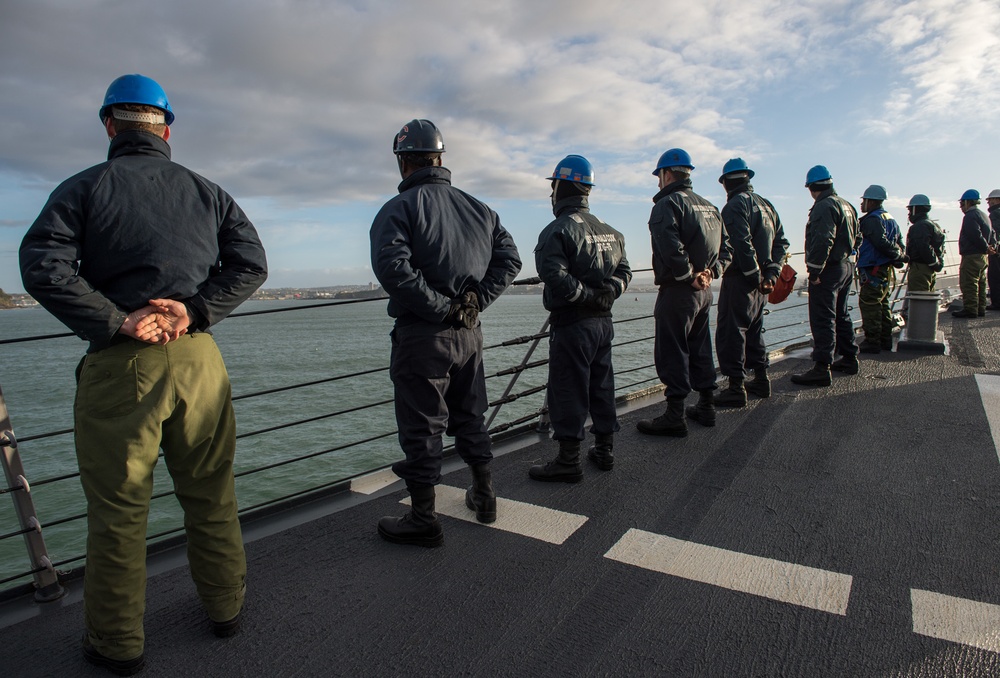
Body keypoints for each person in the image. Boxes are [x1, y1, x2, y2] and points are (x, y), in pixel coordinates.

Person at [19, 74, 268, 675]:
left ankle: (117, 643)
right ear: (167, 129)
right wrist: (196, 308)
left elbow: (43, 265)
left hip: (121, 366)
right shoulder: (207, 192)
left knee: (120, 511)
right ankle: (225, 611)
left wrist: (117, 320)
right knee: (211, 494)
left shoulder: (85, 188)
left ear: (109, 125)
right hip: (199, 358)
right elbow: (251, 263)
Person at [370, 119, 521, 547]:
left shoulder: (398, 209)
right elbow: (509, 260)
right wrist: (473, 305)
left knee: (422, 428)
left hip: (424, 336)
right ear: (440, 158)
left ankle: (423, 518)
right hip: (469, 335)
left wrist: (443, 309)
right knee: (471, 416)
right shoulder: (480, 208)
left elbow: (393, 269)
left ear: (403, 161)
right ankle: (485, 496)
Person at [528, 155, 631, 482]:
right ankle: (604, 450)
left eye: (553, 186)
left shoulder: (557, 231)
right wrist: (608, 293)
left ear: (560, 187)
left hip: (573, 324)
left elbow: (554, 275)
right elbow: (625, 272)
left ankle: (568, 460)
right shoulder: (611, 233)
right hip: (604, 324)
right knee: (602, 385)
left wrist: (585, 298)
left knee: (568, 389)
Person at [636, 148, 729, 437]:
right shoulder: (709, 206)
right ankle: (706, 406)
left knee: (672, 351)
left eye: (659, 177)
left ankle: (675, 415)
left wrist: (688, 276)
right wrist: (712, 273)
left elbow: (669, 245)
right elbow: (727, 248)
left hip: (679, 291)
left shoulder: (667, 204)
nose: (658, 183)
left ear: (666, 175)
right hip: (704, 292)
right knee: (700, 348)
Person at [713, 159, 789, 407]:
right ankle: (761, 379)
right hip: (761, 284)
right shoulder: (767, 206)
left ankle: (735, 387)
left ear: (726, 182)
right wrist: (771, 276)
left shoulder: (735, 206)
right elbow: (781, 244)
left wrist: (755, 276)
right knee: (755, 331)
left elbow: (741, 245)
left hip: (741, 281)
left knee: (731, 332)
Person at [790, 165, 861, 386]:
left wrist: (814, 271)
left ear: (811, 187)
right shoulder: (846, 205)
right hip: (847, 266)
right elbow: (858, 238)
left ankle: (822, 367)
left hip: (829, 269)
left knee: (823, 317)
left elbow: (822, 239)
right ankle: (849, 357)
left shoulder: (823, 206)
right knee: (841, 314)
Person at [855, 185, 904, 354]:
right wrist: (898, 256)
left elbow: (880, 241)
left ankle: (872, 340)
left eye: (864, 201)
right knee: (883, 304)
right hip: (884, 268)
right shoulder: (890, 219)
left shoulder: (871, 220)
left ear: (870, 201)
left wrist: (895, 255)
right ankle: (885, 339)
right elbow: (899, 242)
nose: (862, 205)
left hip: (873, 267)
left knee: (870, 303)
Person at [952, 189, 996, 318]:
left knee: (969, 283)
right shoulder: (984, 215)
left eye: (962, 204)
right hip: (983, 257)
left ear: (967, 202)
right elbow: (992, 233)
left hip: (972, 255)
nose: (961, 207)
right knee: (981, 283)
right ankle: (980, 309)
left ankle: (970, 309)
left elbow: (974, 234)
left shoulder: (970, 216)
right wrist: (990, 247)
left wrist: (985, 247)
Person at [903, 194, 945, 293]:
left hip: (920, 268)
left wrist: (933, 262)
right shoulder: (934, 225)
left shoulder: (920, 226)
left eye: (910, 210)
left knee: (919, 299)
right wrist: (937, 264)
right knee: (927, 298)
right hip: (930, 269)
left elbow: (924, 246)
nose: (909, 214)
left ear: (915, 209)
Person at [987, 189, 1000, 310]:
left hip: (997, 251)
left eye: (990, 200)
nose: (989, 202)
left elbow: (994, 233)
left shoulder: (995, 214)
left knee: (994, 276)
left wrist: (992, 246)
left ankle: (997, 303)